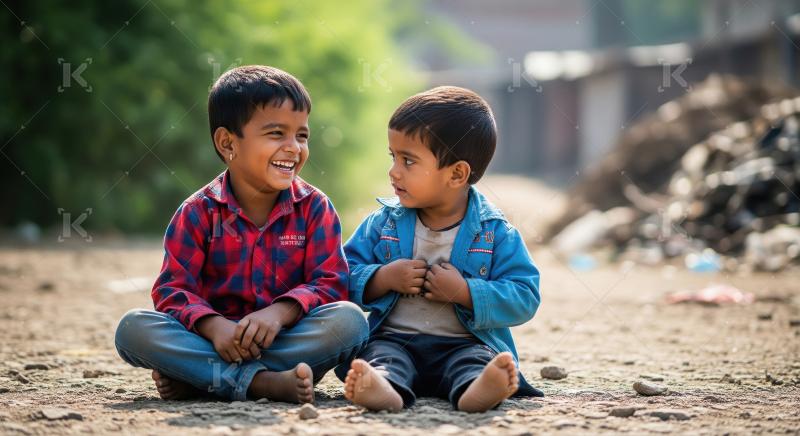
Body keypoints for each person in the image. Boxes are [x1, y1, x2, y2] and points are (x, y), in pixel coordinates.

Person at [114, 65, 369, 403]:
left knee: (349, 322)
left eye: (302, 135)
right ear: (227, 143)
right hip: (213, 341)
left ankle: (205, 379)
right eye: (277, 133)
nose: (294, 147)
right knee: (133, 330)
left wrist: (278, 314)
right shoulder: (197, 212)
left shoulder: (314, 208)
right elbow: (173, 290)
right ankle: (262, 384)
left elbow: (330, 283)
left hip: (287, 340)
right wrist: (214, 326)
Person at [340, 86, 543, 412]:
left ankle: (476, 391)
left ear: (457, 173)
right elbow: (340, 273)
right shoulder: (383, 223)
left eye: (408, 161)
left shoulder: (494, 232)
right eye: (393, 157)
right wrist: (383, 277)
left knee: (474, 362)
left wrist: (466, 292)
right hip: (395, 340)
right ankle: (383, 389)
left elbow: (525, 295)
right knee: (381, 358)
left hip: (463, 344)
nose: (394, 171)